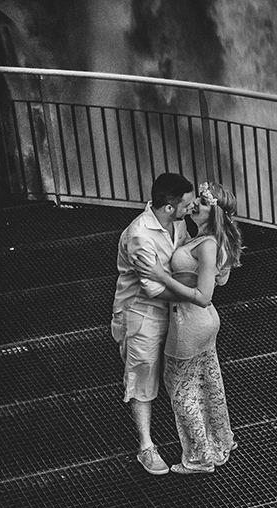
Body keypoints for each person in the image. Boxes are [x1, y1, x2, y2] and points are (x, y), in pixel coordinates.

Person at [135, 181, 241, 474]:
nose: (194, 205)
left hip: (189, 323)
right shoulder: (213, 241)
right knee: (210, 384)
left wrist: (160, 275)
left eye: (202, 204)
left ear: (213, 213)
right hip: (205, 323)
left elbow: (204, 295)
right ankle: (220, 442)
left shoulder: (206, 245)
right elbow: (221, 280)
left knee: (181, 390)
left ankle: (199, 458)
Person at [112, 173, 196, 475]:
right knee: (143, 372)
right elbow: (153, 288)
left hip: (172, 309)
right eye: (187, 204)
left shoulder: (178, 222)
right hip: (141, 313)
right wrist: (196, 296)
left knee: (176, 368)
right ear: (170, 207)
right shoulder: (139, 236)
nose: (192, 207)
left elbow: (183, 256)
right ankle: (146, 446)